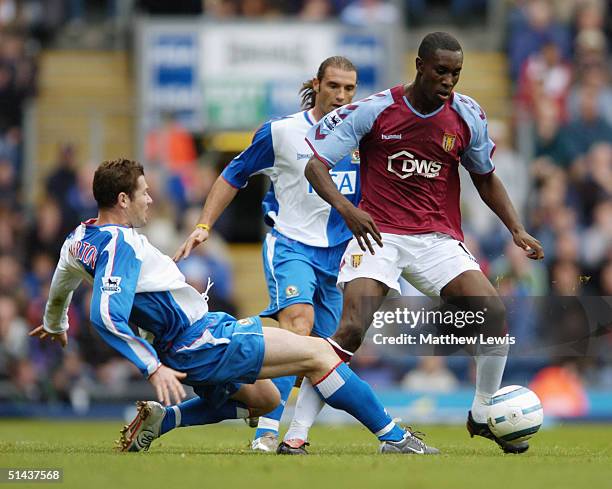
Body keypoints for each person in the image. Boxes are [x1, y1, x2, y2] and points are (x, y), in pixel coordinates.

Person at [29, 158, 438, 456]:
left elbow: (63, 278)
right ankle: (394, 438)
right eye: (143, 192)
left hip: (190, 342)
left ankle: (163, 420)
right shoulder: (122, 245)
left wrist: (55, 320)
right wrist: (152, 367)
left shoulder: (80, 237)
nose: (150, 199)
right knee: (318, 353)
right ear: (123, 199)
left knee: (262, 400)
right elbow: (105, 313)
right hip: (200, 341)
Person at [297, 32, 545, 454]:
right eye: (442, 71)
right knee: (351, 330)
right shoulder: (376, 110)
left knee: (492, 314)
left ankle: (482, 412)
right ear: (420, 66)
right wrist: (348, 209)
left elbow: (484, 177)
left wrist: (516, 229)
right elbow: (315, 168)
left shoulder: (467, 116)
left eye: (456, 73)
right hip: (379, 234)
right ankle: (296, 434)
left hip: (436, 239)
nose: (449, 81)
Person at [173, 57, 361, 453]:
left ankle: (213, 361)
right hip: (290, 244)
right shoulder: (281, 132)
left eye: (349, 89)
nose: (341, 96)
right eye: (334, 87)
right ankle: (267, 433)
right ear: (317, 84)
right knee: (298, 329)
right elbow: (233, 175)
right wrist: (204, 225)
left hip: (338, 258)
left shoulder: (364, 134)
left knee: (315, 353)